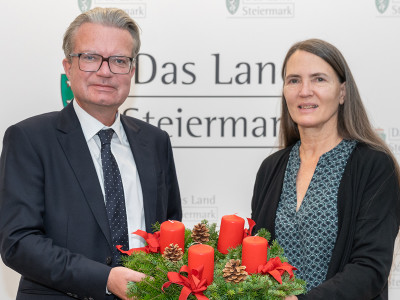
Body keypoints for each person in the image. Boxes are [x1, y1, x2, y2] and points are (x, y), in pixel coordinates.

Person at [0, 7, 182, 300]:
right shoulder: (29, 139)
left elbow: (170, 229)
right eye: (90, 57)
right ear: (68, 67)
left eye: (119, 60)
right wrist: (107, 279)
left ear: (132, 72)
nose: (105, 71)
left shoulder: (155, 141)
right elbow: (18, 243)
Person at [251, 39, 400, 299]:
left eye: (319, 79)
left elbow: (371, 268)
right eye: (294, 80)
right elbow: (257, 259)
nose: (305, 91)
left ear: (342, 92)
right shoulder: (270, 168)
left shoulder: (374, 166)